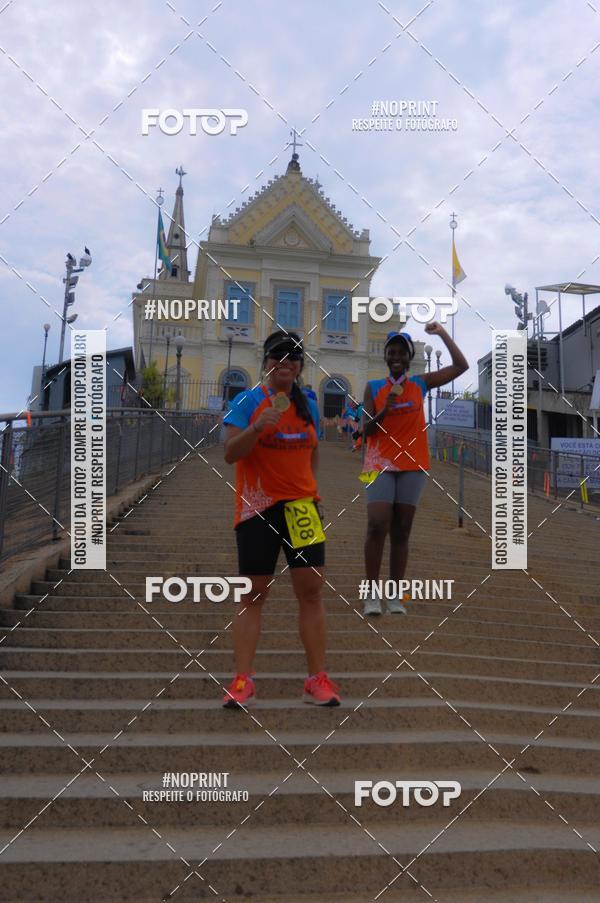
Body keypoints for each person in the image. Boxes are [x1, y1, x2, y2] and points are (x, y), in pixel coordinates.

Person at [221, 331, 341, 707]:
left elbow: (314, 449)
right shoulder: (246, 401)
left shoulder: (308, 403)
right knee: (253, 594)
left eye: (293, 357)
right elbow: (229, 453)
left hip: (302, 508)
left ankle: (317, 679)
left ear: (300, 365)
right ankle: (243, 680)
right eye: (278, 355)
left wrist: (311, 490)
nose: (285, 363)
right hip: (257, 508)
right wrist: (258, 428)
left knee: (310, 590)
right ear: (266, 360)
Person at [361, 324, 468, 616]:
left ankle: (394, 595)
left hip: (413, 464)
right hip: (377, 463)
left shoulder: (420, 384)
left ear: (409, 358)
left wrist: (443, 333)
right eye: (391, 352)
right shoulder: (372, 387)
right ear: (385, 357)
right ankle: (371, 593)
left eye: (401, 353)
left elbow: (461, 365)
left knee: (402, 529)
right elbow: (365, 430)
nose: (396, 357)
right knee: (377, 524)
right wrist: (386, 409)